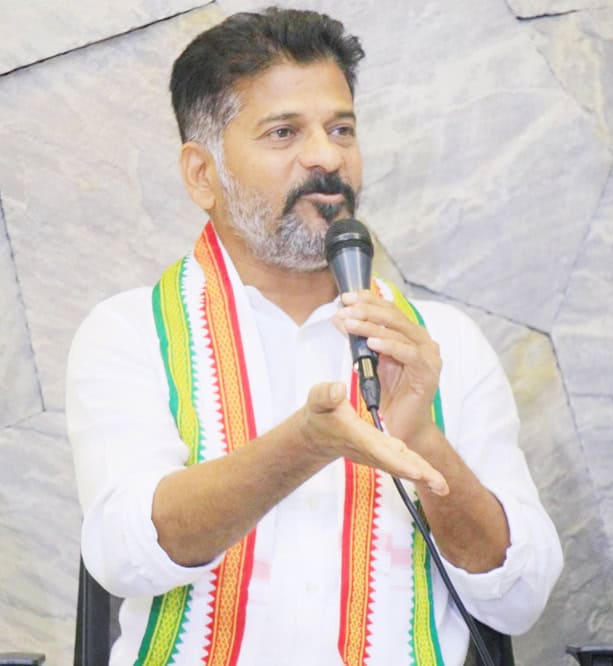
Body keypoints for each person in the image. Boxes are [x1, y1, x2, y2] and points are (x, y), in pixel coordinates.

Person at [66, 8, 563, 665]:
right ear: (201, 174)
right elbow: (123, 555)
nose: (327, 157)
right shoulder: (130, 334)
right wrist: (303, 445)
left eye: (341, 129)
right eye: (284, 132)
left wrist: (424, 442)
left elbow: (519, 597)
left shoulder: (444, 344)